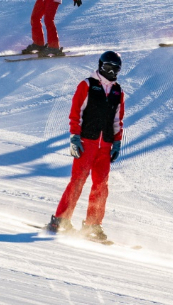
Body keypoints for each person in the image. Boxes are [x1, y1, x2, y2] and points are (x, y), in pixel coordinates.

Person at [46, 51, 125, 242]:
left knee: (101, 186)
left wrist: (116, 142)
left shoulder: (117, 92)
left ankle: (92, 224)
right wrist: (74, 136)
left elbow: (117, 120)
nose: (111, 72)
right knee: (78, 180)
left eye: (115, 69)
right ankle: (61, 220)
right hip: (86, 142)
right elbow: (76, 112)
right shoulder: (87, 85)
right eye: (108, 68)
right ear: (100, 66)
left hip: (105, 146)